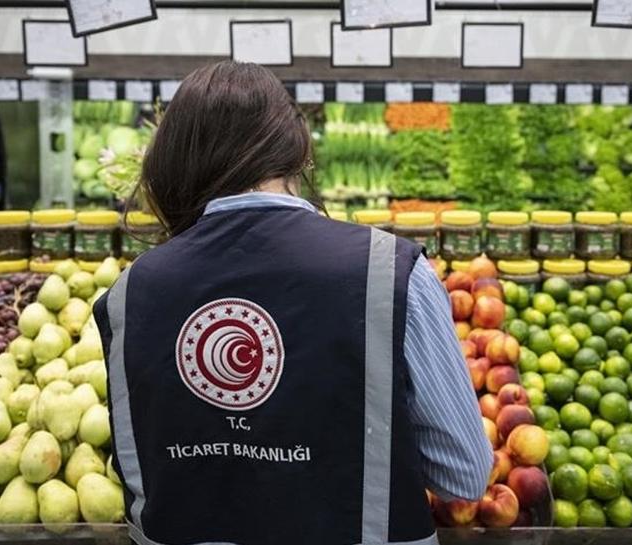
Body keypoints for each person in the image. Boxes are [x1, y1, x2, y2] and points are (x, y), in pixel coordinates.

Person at [92, 61, 491, 545]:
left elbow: (139, 479)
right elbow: (463, 476)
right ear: (299, 153)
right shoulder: (391, 272)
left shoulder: (129, 295)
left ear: (169, 163)